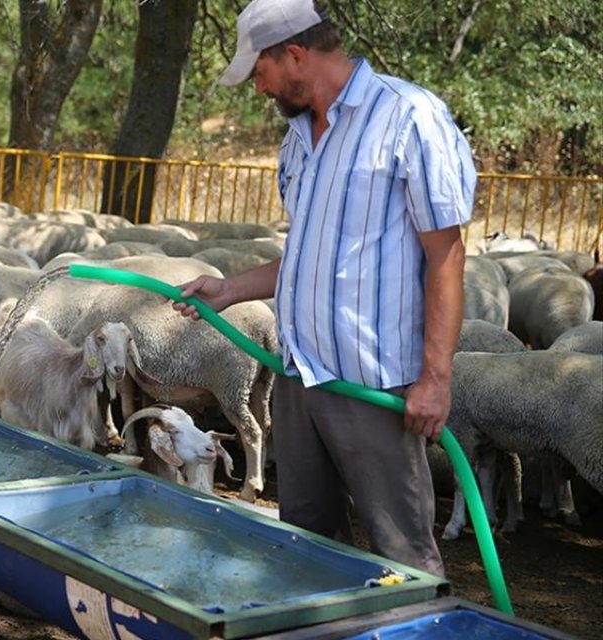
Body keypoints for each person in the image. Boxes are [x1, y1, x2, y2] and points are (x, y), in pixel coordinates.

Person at [174, 0, 474, 577]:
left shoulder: (410, 117)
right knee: (307, 547)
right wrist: (230, 288)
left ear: (293, 54)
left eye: (258, 71)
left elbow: (446, 255)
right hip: (299, 377)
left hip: (373, 384)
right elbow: (309, 258)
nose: (258, 88)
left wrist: (435, 378)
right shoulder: (297, 140)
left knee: (402, 553)